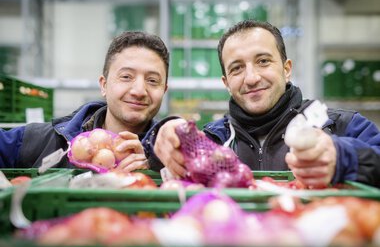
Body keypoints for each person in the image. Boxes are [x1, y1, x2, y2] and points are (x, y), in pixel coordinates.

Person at [145, 20, 380, 188]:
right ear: (226, 82)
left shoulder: (343, 125)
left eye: (263, 61)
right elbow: (152, 157)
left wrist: (344, 157)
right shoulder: (212, 142)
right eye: (237, 68)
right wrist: (163, 133)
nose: (252, 78)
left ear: (286, 69)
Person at [0, 31, 169, 171]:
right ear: (104, 85)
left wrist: (151, 170)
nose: (139, 91)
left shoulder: (167, 159)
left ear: (164, 90)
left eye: (152, 80)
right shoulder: (43, 141)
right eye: (126, 77)